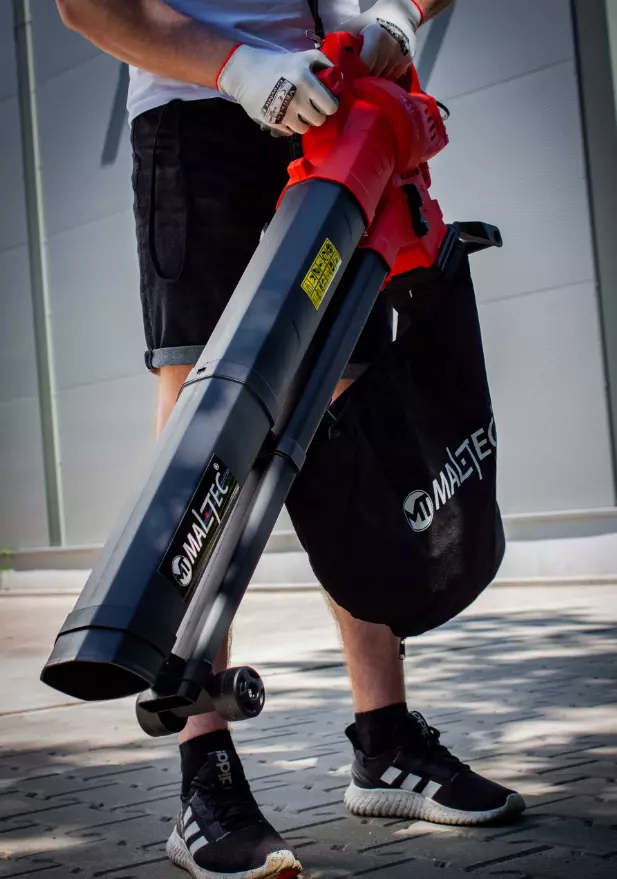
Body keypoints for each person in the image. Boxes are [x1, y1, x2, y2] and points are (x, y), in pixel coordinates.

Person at [56, 2, 525, 877]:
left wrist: (396, 13)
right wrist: (235, 65)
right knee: (207, 427)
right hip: (200, 119)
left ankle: (384, 739)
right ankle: (205, 773)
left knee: (352, 412)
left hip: (343, 117)